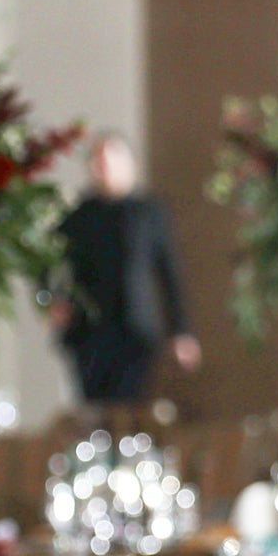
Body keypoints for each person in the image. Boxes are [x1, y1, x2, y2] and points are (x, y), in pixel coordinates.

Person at [51, 134, 200, 408]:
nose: (104, 168)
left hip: (136, 332)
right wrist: (52, 300)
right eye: (99, 162)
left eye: (111, 161)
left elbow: (170, 274)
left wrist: (182, 331)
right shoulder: (78, 217)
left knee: (130, 409)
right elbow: (48, 262)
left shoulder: (150, 212)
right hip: (89, 333)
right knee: (95, 411)